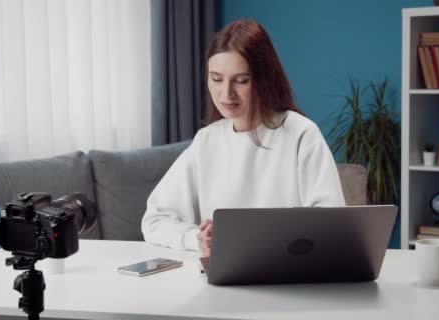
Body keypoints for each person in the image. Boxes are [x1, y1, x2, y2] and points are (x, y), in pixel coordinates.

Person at [141, 19, 345, 258]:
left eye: (241, 81)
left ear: (264, 79)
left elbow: (331, 224)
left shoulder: (301, 134)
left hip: (288, 274)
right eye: (216, 79)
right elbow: (155, 219)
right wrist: (197, 239)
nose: (226, 93)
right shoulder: (207, 140)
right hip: (224, 279)